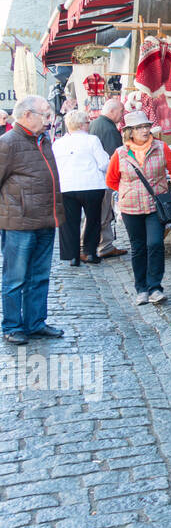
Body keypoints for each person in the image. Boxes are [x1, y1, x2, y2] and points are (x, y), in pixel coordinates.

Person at [0, 95, 64, 344]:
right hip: (19, 224)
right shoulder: (8, 143)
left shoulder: (43, 139)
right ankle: (12, 326)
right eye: (45, 115)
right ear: (27, 115)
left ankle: (35, 322)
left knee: (40, 276)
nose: (49, 120)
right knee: (15, 278)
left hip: (46, 220)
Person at [105, 111, 171, 305]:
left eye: (147, 126)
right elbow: (112, 180)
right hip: (131, 208)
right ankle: (141, 288)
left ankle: (155, 287)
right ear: (129, 131)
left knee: (155, 244)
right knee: (138, 247)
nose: (145, 130)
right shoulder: (120, 153)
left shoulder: (161, 147)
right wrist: (127, 192)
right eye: (139, 127)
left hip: (154, 206)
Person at [52, 110, 109, 266]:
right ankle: (90, 252)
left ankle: (72, 256)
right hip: (91, 184)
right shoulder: (92, 140)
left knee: (69, 222)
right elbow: (104, 162)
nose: (89, 125)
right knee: (93, 220)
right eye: (87, 122)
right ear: (82, 124)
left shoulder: (58, 143)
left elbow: (54, 167)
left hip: (67, 186)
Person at [89, 98, 127, 258]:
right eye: (121, 111)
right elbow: (115, 156)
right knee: (103, 213)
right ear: (112, 111)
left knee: (102, 213)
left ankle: (105, 244)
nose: (122, 115)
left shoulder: (96, 123)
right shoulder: (109, 129)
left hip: (97, 177)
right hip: (105, 178)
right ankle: (101, 246)